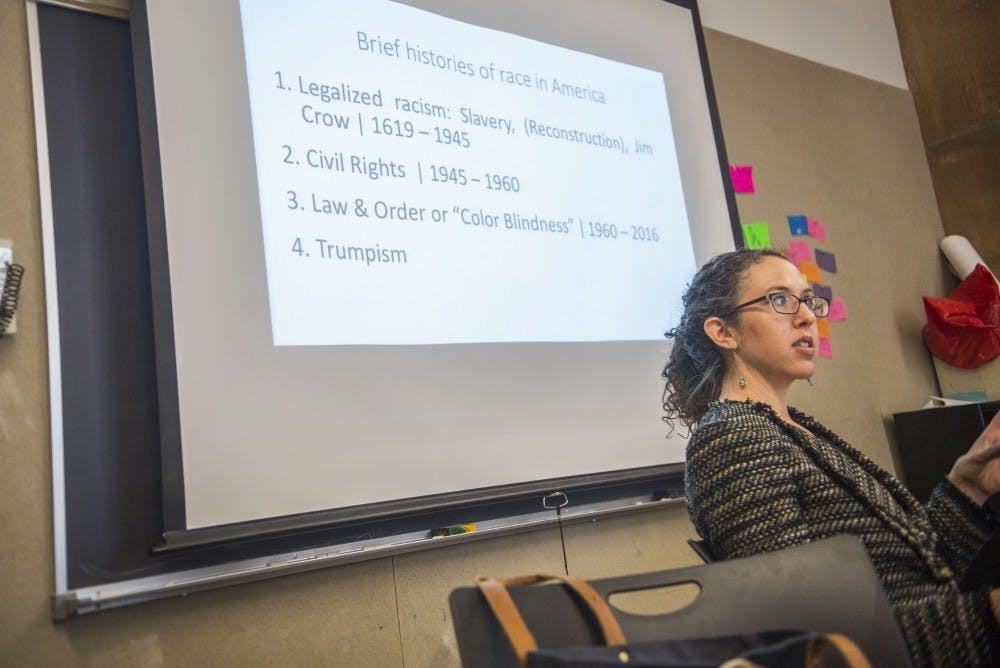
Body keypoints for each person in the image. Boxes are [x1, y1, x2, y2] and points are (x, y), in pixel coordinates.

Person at [662, 248, 1000, 667]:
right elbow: (811, 640)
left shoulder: (793, 427)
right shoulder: (730, 441)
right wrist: (989, 616)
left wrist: (968, 488)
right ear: (723, 332)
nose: (806, 317)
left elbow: (917, 569)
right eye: (780, 300)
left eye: (807, 300)